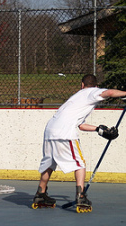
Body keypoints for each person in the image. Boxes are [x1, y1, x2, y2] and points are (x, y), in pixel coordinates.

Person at [33, 74, 126, 208]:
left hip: (50, 131)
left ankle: (40, 194)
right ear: (95, 85)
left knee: (49, 164)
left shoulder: (76, 97)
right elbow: (110, 92)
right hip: (64, 132)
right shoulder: (92, 92)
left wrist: (100, 130)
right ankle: (81, 196)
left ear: (82, 85)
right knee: (80, 163)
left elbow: (80, 125)